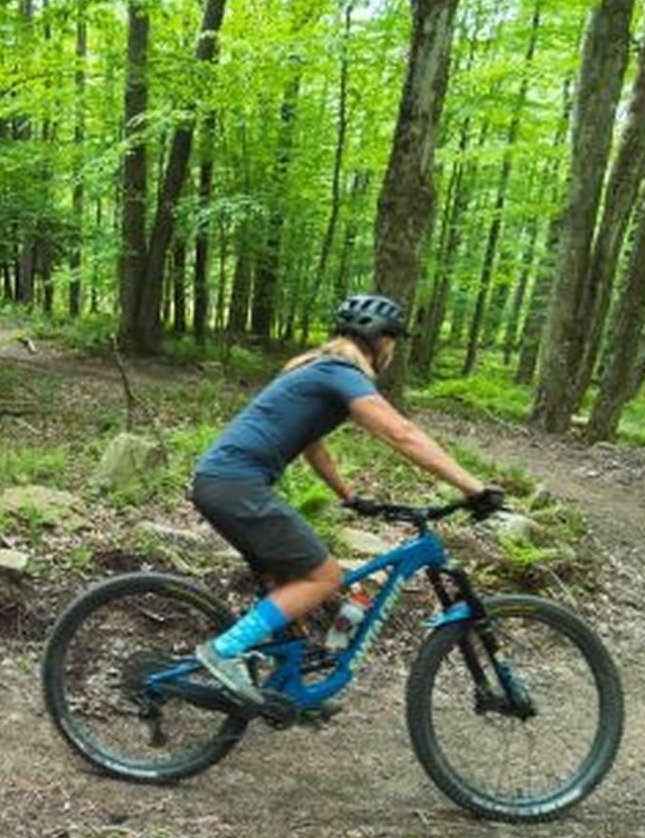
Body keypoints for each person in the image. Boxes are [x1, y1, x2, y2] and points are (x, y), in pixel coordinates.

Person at [190, 293, 502, 707]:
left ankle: (289, 690)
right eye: (392, 341)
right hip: (236, 486)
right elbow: (400, 433)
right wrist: (472, 487)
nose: (392, 351)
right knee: (324, 577)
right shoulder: (340, 372)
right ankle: (223, 652)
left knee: (289, 586)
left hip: (223, 484)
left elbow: (312, 445)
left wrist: (349, 496)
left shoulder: (314, 370)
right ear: (379, 341)